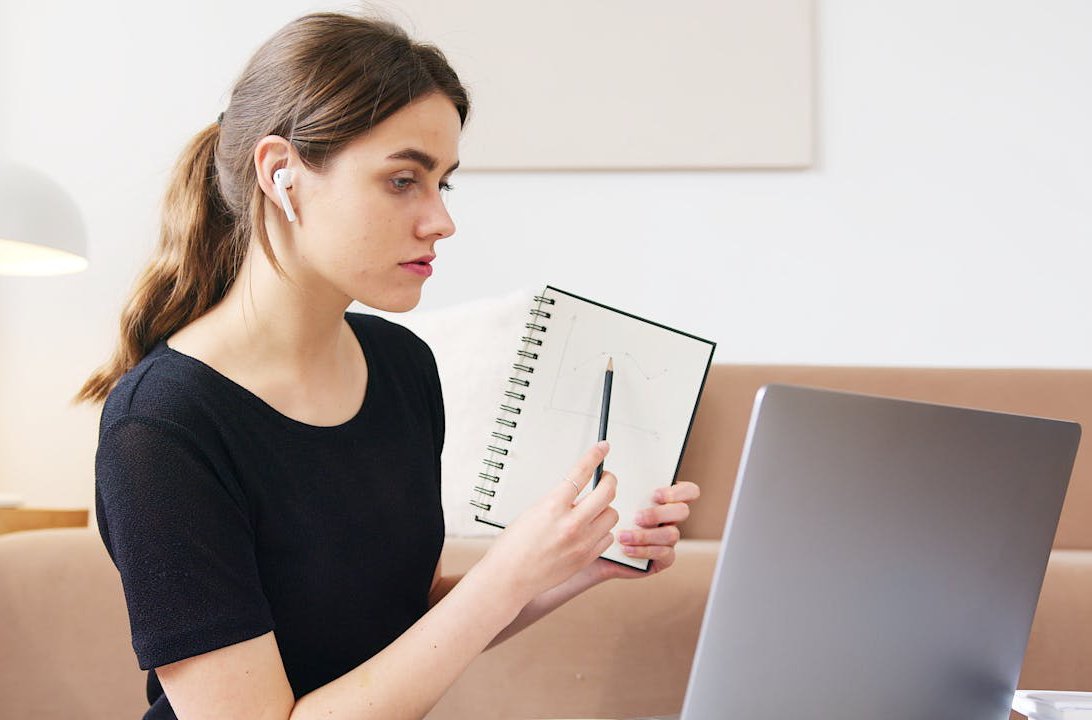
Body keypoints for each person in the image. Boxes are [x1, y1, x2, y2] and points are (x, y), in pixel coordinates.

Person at [77, 12, 699, 720]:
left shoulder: (402, 367)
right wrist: (510, 570)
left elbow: (404, 624)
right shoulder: (161, 428)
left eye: (444, 184)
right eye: (404, 180)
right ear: (282, 175)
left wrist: (579, 564)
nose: (441, 220)